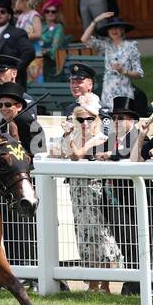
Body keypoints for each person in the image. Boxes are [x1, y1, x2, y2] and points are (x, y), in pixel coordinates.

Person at [56, 93, 122, 293]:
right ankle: (93, 284)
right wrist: (68, 137)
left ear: (97, 119)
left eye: (89, 118)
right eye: (80, 119)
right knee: (84, 235)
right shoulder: (72, 136)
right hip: (77, 193)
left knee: (102, 235)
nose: (85, 123)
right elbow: (62, 152)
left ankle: (106, 284)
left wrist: (73, 141)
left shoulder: (102, 137)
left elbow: (75, 155)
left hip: (98, 193)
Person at [82, 13, 144, 108]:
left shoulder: (131, 47)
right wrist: (96, 20)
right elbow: (84, 39)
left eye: (117, 27)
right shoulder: (106, 45)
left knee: (123, 119)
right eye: (111, 28)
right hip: (108, 91)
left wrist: (123, 71)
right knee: (108, 119)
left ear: (122, 30)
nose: (114, 30)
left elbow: (139, 73)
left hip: (124, 90)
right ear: (107, 31)